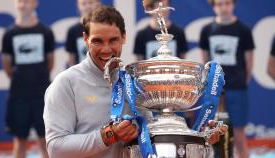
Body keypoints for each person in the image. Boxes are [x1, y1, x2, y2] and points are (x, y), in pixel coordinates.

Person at [44, 5, 227, 158]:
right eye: (97, 41)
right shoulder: (66, 83)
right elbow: (55, 147)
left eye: (113, 40)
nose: (106, 49)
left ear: (124, 37)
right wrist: (108, 136)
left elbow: (150, 139)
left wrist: (197, 138)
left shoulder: (134, 82)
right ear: (85, 39)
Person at [199, 0, 255, 157]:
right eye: (219, 4)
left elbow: (249, 63)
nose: (223, 7)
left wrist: (240, 82)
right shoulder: (207, 30)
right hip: (214, 93)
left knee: (238, 137)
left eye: (227, 3)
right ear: (213, 6)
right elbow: (205, 63)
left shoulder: (243, 30)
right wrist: (211, 87)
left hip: (237, 90)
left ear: (233, 4)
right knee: (211, 137)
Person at [1, 0, 55, 157]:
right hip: (18, 96)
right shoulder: (9, 34)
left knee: (46, 141)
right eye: (19, 1)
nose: (22, 4)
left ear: (35, 3)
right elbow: (7, 66)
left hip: (42, 95)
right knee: (20, 142)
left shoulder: (45, 32)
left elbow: (50, 63)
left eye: (26, 1)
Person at [65, 0, 101, 66]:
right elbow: (71, 59)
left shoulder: (105, 27)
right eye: (83, 4)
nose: (87, 6)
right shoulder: (73, 31)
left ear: (98, 3)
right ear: (78, 6)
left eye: (91, 2)